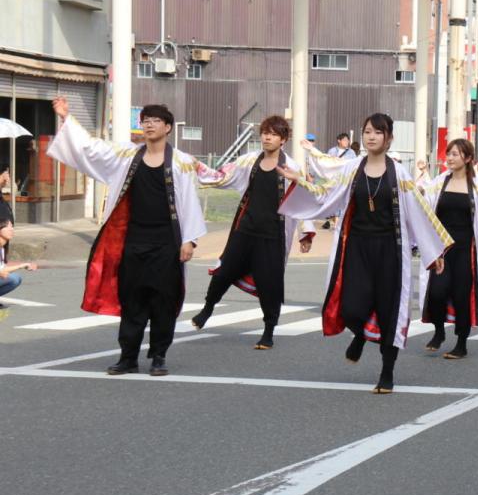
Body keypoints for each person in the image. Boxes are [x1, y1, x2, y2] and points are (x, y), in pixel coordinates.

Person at [279, 113, 451, 394]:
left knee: (389, 311)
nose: (371, 136)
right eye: (367, 131)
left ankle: (387, 372)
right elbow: (326, 193)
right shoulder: (351, 169)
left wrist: (435, 250)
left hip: (390, 250)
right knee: (352, 308)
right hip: (357, 247)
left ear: (389, 138)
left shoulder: (400, 173)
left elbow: (419, 212)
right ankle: (359, 334)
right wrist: (300, 180)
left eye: (378, 132)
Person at [47, 98, 206, 376]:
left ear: (168, 127)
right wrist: (66, 118)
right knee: (132, 299)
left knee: (162, 301)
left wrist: (189, 240)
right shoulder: (126, 155)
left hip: (167, 243)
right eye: (145, 120)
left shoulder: (180, 162)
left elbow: (189, 202)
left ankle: (158, 356)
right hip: (133, 241)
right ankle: (128, 357)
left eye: (155, 120)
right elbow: (91, 148)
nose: (149, 125)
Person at [190, 115, 315, 350]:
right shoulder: (249, 161)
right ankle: (207, 309)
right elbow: (222, 176)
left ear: (283, 140)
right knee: (223, 271)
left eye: (274, 134)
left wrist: (305, 233)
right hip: (245, 230)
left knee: (270, 284)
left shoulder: (290, 167)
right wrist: (197, 167)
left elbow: (302, 199)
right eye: (265, 132)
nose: (267, 137)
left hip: (273, 236)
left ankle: (268, 331)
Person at [416, 139, 478, 359]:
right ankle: (438, 331)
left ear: (467, 159)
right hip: (442, 249)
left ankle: (461, 342)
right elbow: (423, 197)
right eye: (449, 153)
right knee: (436, 292)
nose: (450, 158)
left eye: (455, 154)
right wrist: (415, 186)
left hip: (466, 249)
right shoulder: (439, 181)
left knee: (461, 295)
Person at [0, 218, 37, 306]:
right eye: (7, 227)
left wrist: (22, 265)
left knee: (16, 278)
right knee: (13, 278)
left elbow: (2, 269)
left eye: (12, 227)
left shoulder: (2, 248)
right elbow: (2, 272)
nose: (11, 229)